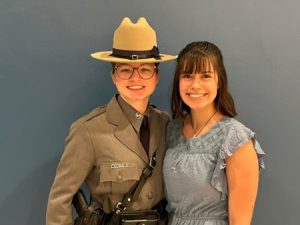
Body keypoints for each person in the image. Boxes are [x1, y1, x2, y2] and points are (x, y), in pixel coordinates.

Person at [46, 17, 176, 225]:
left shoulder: (165, 125)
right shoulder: (88, 131)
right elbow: (60, 199)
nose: (136, 78)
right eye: (125, 70)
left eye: (145, 69)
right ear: (113, 76)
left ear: (156, 76)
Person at [163, 41, 265, 225]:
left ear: (219, 81)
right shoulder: (171, 130)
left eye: (205, 76)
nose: (195, 85)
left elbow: (240, 222)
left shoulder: (235, 139)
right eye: (187, 76)